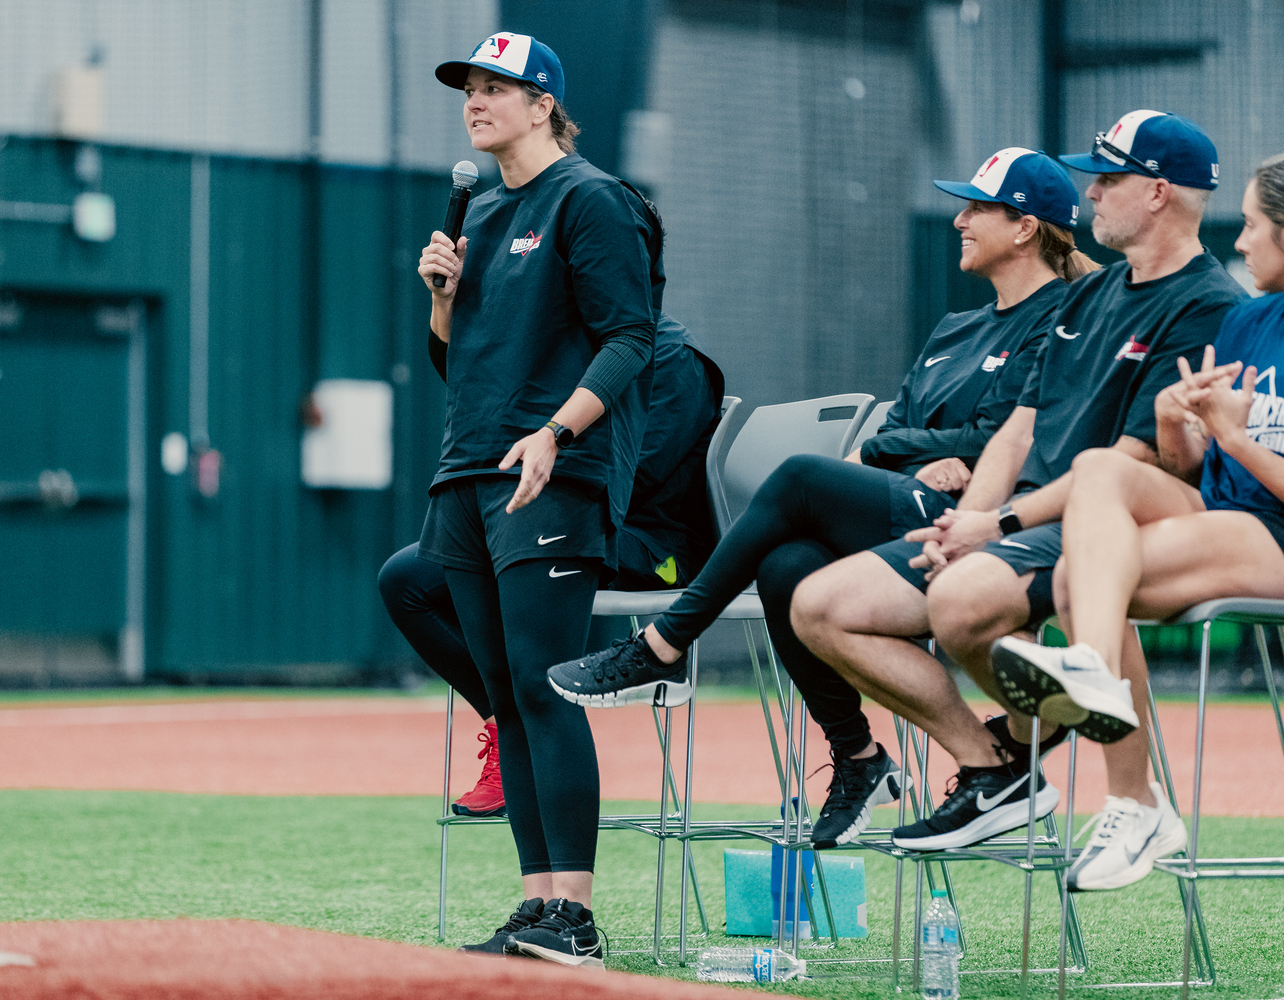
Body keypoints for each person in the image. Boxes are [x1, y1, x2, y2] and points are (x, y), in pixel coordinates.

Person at [547, 148, 1090, 850]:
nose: (958, 219)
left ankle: (664, 644)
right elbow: (888, 438)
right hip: (914, 503)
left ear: (1025, 228)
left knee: (801, 480)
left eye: (976, 207)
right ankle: (859, 755)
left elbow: (1000, 436)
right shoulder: (954, 328)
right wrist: (930, 455)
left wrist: (936, 453)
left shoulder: (1062, 319)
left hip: (985, 525)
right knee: (785, 567)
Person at [792, 111, 1244, 859]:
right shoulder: (1086, 296)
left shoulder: (1207, 304)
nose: (1092, 193)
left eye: (1110, 178)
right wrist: (962, 525)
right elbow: (1018, 430)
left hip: (1095, 528)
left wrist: (993, 526)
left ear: (1160, 193)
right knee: (819, 605)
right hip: (1012, 520)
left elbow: (1136, 463)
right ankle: (995, 767)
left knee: (960, 598)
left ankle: (1073, 750)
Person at [414, 31, 661, 967]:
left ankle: (578, 918)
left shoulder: (592, 201)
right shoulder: (478, 216)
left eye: (496, 88)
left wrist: (557, 433)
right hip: (468, 470)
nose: (476, 102)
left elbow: (630, 338)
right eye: (470, 89)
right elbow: (454, 361)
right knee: (512, 700)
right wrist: (442, 298)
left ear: (545, 104)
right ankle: (535, 907)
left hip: (550, 472)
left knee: (545, 687)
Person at [991, 152, 1284, 890]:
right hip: (1224, 509)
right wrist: (1175, 424)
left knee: (1076, 582)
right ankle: (1119, 751)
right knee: (1096, 476)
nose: (1241, 243)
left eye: (1251, 226)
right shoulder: (1250, 320)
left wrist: (1240, 438)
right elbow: (1189, 467)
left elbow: (1242, 452)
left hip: (1274, 531)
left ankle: (1136, 797)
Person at [377, 311, 723, 819]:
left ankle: (539, 735)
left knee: (509, 557)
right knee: (407, 578)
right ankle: (508, 726)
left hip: (649, 546)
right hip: (558, 520)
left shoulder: (672, 358)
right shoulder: (570, 346)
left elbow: (632, 478)